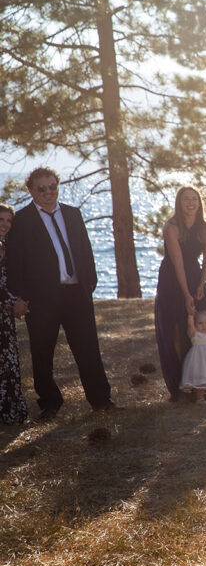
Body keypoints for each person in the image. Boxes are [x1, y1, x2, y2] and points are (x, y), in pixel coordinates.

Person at [5, 167, 117, 420]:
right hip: (42, 298)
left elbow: (86, 251)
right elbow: (16, 262)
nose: (48, 193)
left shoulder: (72, 214)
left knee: (88, 347)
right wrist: (20, 296)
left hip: (76, 292)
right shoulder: (22, 221)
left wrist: (90, 283)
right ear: (31, 190)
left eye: (52, 186)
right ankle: (50, 402)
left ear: (58, 186)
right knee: (42, 351)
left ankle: (101, 399)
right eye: (41, 188)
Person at [154, 187, 206, 403]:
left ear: (199, 202)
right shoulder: (172, 227)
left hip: (196, 275)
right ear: (180, 203)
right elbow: (177, 262)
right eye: (186, 199)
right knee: (177, 331)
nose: (191, 203)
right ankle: (182, 385)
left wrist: (201, 283)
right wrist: (187, 293)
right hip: (172, 279)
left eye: (194, 199)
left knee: (202, 326)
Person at [0, 204, 29, 425]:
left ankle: (9, 412)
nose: (5, 225)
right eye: (1, 220)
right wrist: (14, 302)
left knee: (7, 363)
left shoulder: (5, 245)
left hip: (4, 314)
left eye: (9, 221)